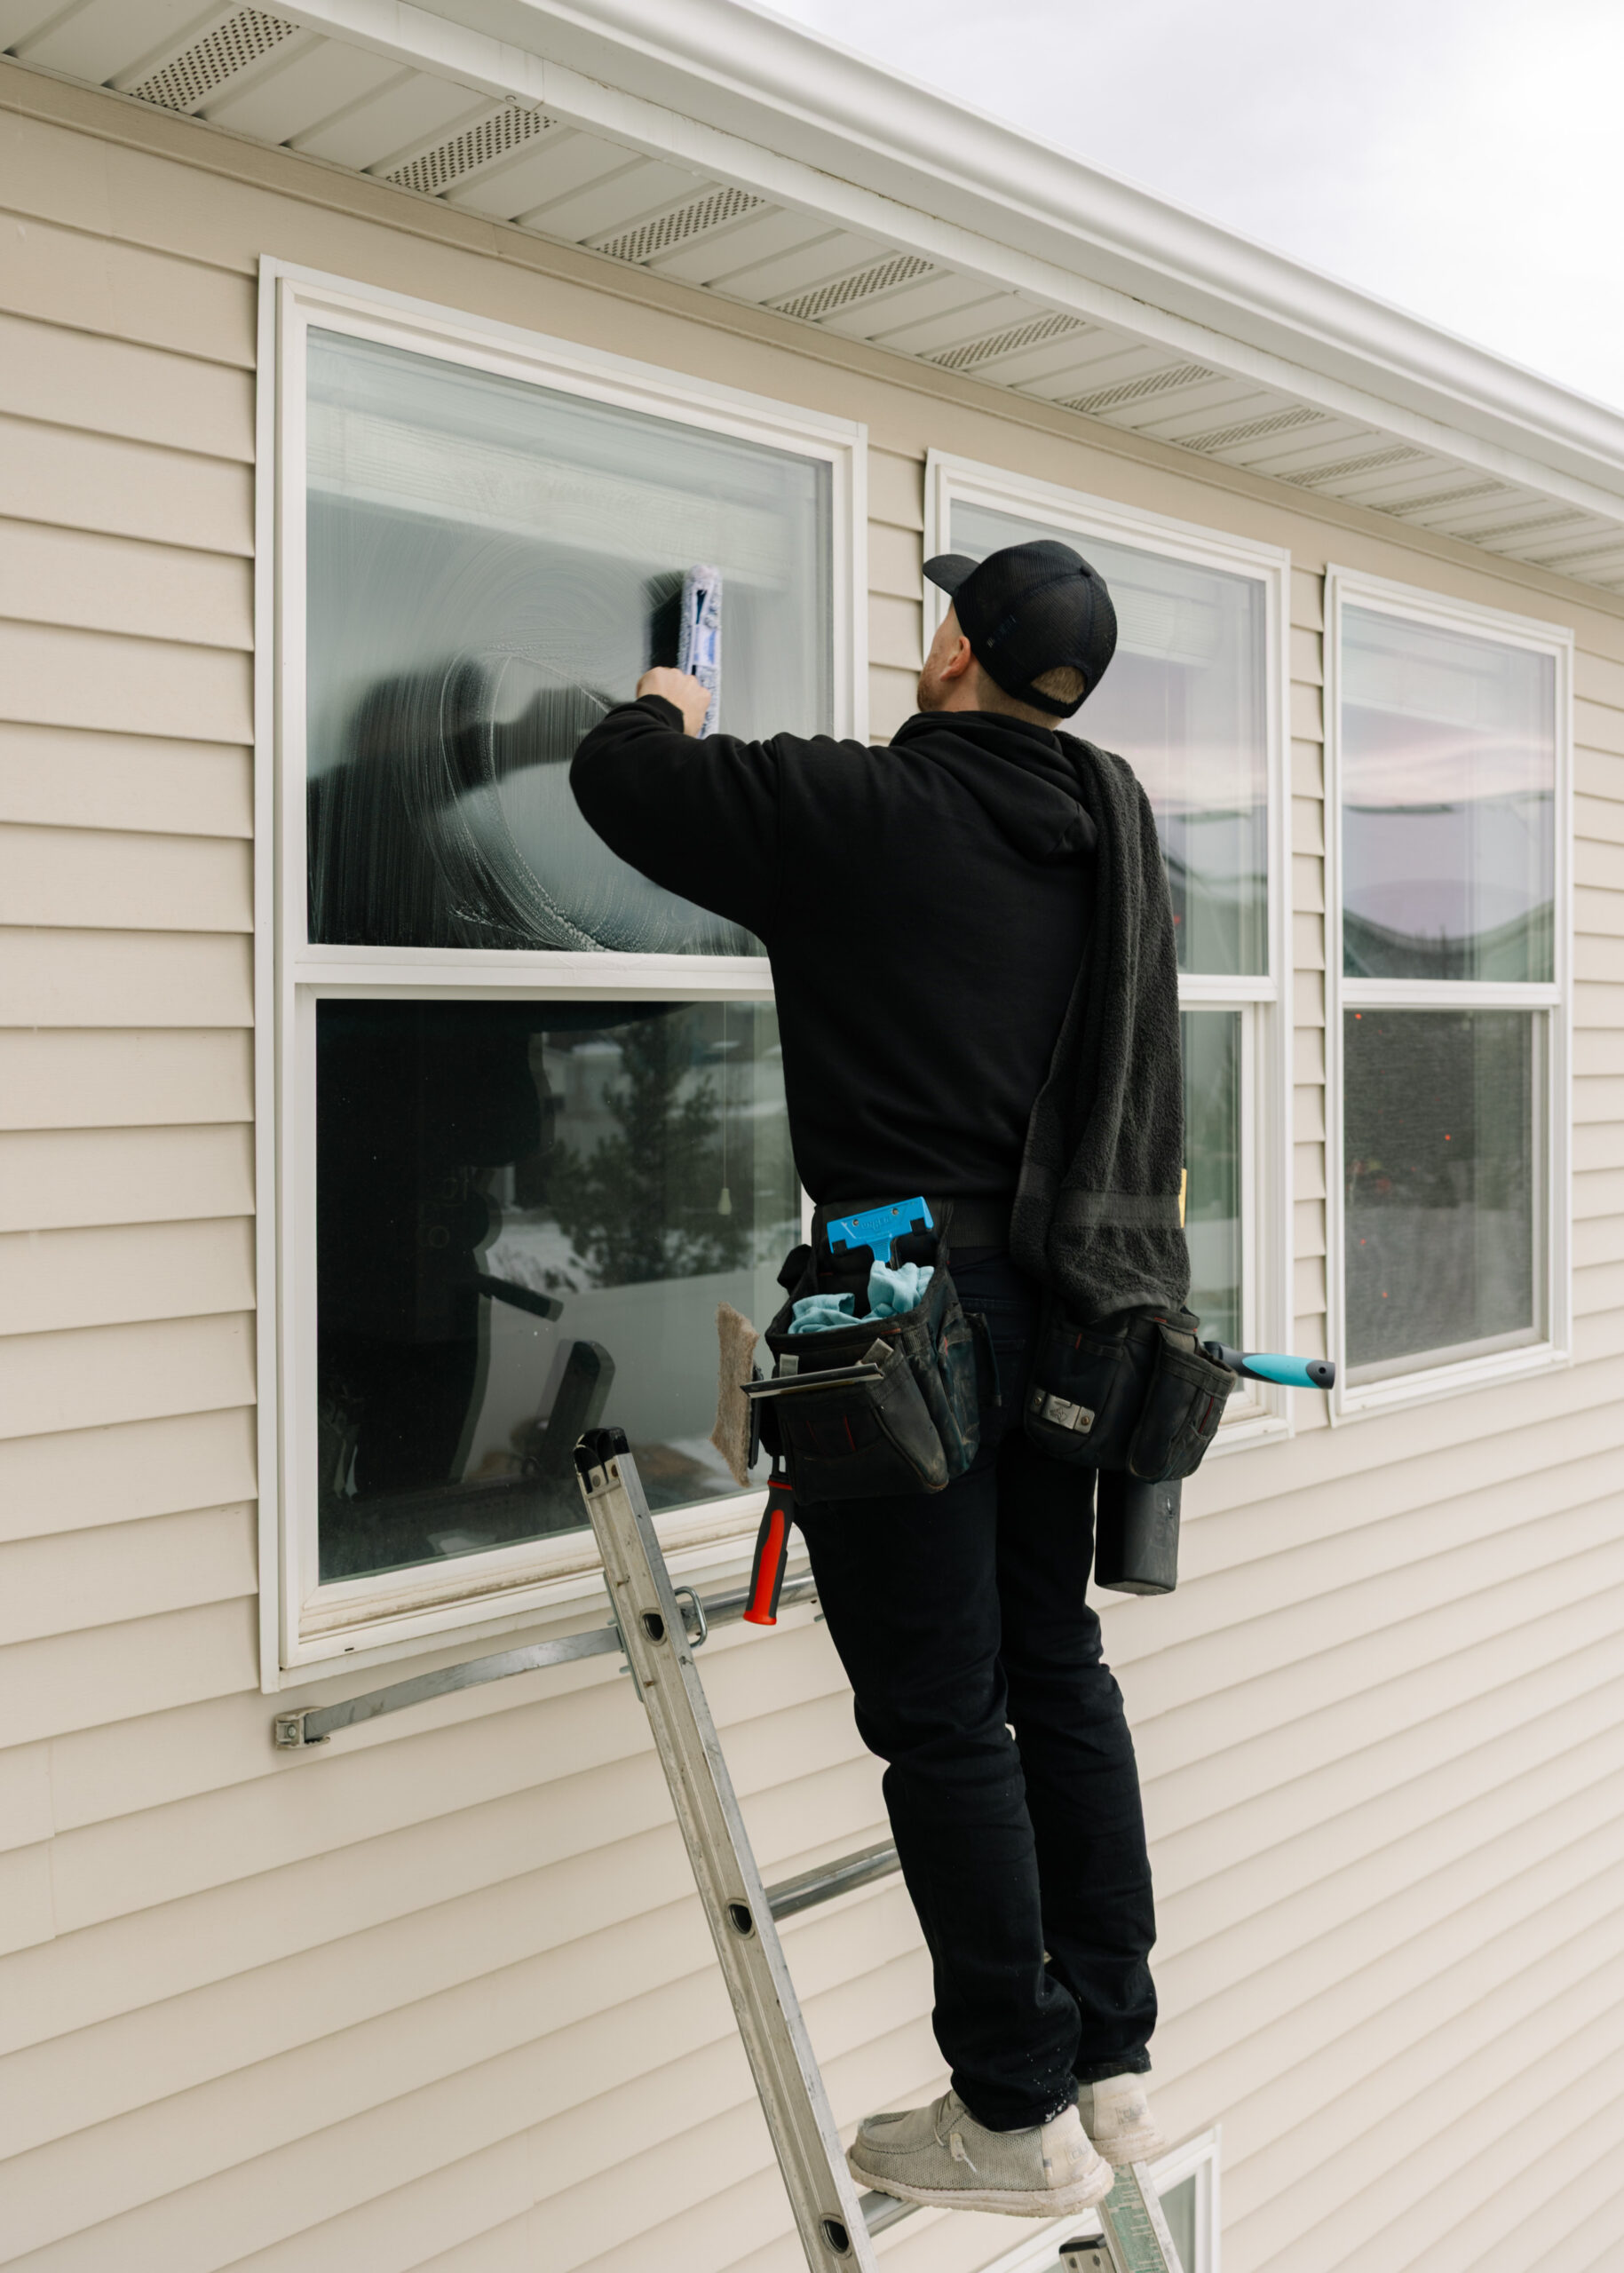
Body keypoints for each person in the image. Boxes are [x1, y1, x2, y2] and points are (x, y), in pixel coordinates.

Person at [570, 539, 1185, 2219]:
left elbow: (625, 787)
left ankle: (1008, 2107)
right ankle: (1108, 2058)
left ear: (957, 655)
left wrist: (669, 693)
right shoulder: (1110, 836)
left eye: (940, 617)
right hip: (1075, 1305)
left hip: (899, 1306)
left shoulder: (866, 810)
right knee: (1050, 1661)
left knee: (940, 1712)